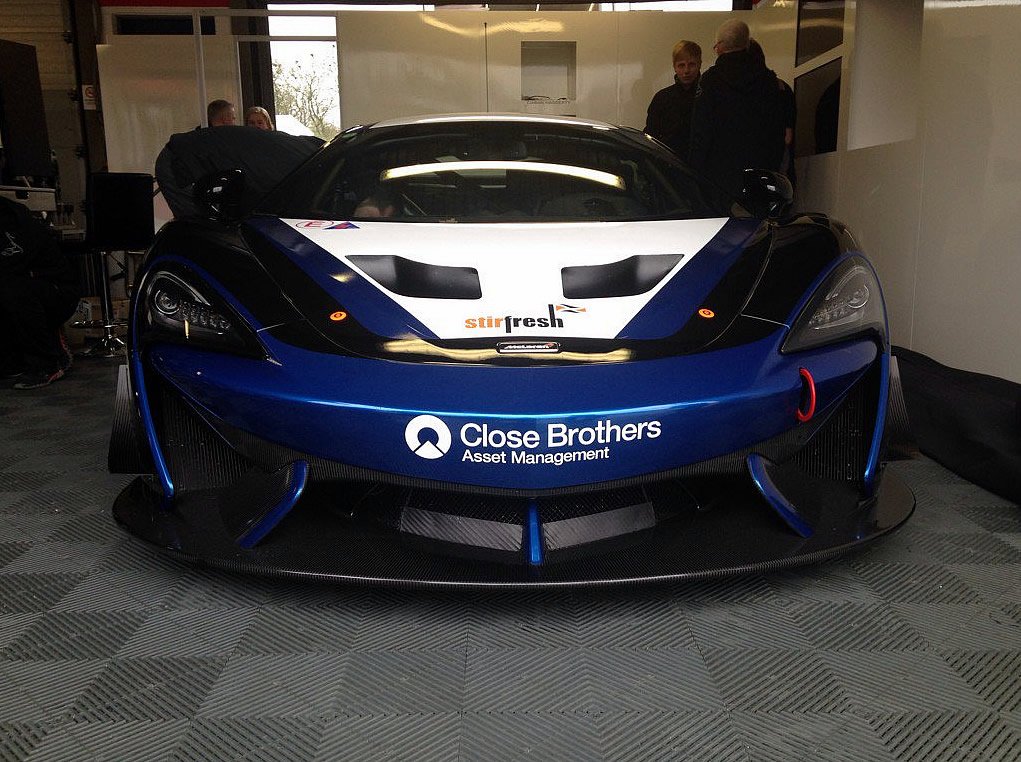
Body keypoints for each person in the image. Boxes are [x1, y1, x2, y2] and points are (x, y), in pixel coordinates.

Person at [688, 20, 786, 197]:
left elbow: (701, 132)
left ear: (720, 47)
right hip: (759, 174)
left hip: (719, 175)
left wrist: (695, 174)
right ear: (747, 44)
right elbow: (777, 132)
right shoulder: (768, 81)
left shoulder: (710, 80)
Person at [155, 126, 324, 219]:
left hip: (200, 153)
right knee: (198, 234)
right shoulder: (300, 174)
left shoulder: (312, 150)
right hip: (182, 160)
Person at [0, 195, 79, 389]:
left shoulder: (11, 218)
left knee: (11, 286)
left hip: (55, 290)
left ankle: (47, 362)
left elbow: (12, 265)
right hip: (28, 286)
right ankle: (13, 361)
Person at [748, 38, 797, 188]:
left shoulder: (775, 89)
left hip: (769, 166)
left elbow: (787, 137)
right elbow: (787, 136)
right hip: (776, 167)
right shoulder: (781, 88)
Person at [644, 40, 702, 158]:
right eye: (681, 65)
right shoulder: (661, 98)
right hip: (668, 162)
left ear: (699, 64)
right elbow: (651, 135)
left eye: (691, 64)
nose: (686, 71)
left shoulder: (708, 96)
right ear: (674, 67)